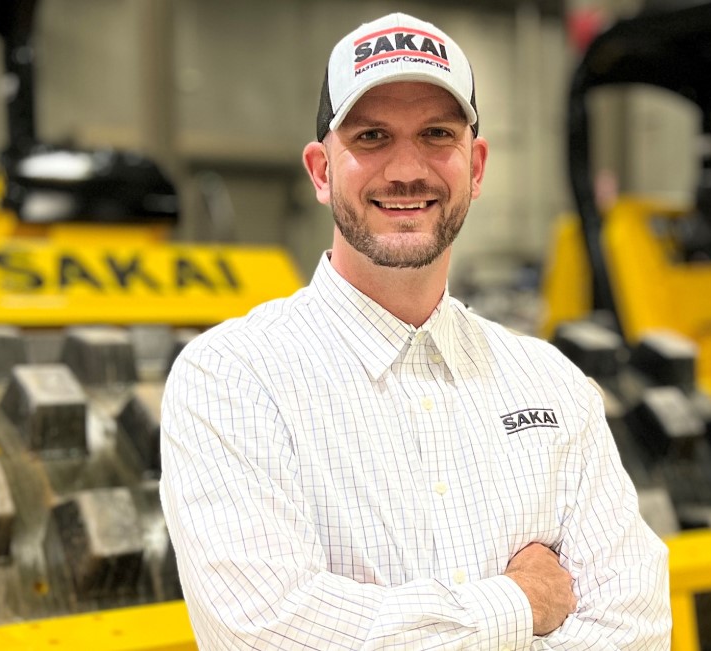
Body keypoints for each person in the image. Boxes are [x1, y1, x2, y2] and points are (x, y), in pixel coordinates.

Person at [160, 12, 671, 650]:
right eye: (372, 136)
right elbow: (271, 631)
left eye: (436, 134)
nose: (407, 170)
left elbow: (635, 625)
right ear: (321, 171)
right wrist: (516, 603)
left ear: (476, 166)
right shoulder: (233, 379)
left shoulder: (554, 385)